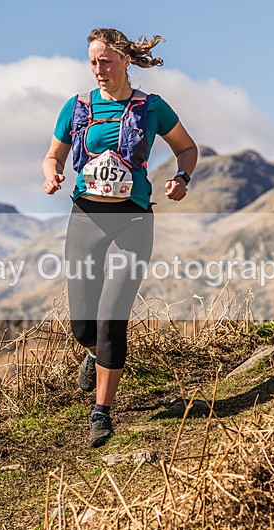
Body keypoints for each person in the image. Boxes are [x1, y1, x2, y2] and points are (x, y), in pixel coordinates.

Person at [41, 28, 197, 447]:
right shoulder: (77, 107)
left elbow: (187, 148)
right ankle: (94, 353)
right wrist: (52, 174)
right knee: (82, 326)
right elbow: (53, 155)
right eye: (93, 62)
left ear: (126, 60)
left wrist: (182, 177)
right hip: (86, 218)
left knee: (112, 318)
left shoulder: (152, 107)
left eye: (106, 61)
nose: (99, 69)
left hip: (133, 220)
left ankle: (101, 412)